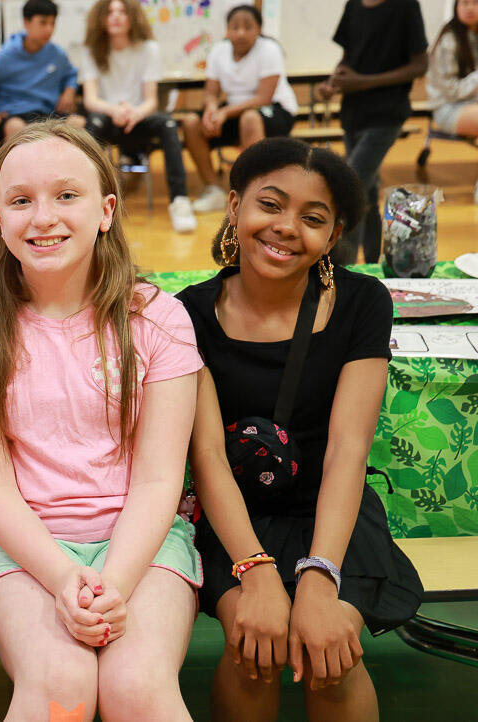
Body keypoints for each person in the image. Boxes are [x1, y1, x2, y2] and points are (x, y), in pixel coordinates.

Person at [0, 120, 204, 721]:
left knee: (137, 687)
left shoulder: (158, 318)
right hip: (25, 547)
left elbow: (160, 478)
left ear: (106, 210)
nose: (43, 218)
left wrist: (115, 582)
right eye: (20, 201)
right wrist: (62, 578)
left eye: (66, 195)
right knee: (62, 686)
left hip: (143, 541)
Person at [178, 137, 423, 722]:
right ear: (234, 206)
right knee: (252, 653)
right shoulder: (187, 313)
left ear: (333, 238)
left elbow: (347, 451)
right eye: (270, 204)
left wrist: (320, 575)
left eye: (313, 219)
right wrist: (254, 572)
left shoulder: (362, 301)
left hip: (331, 511)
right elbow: (208, 455)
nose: (287, 227)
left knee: (329, 657)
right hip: (236, 513)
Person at [316, 0, 428, 264]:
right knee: (365, 192)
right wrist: (333, 82)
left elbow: (420, 65)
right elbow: (349, 58)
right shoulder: (354, 5)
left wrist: (363, 82)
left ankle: (343, 267)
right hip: (353, 112)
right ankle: (371, 262)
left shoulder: (405, 6)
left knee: (351, 185)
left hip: (387, 112)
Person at [82, 0, 197, 234]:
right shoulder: (91, 50)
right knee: (91, 125)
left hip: (138, 118)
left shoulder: (148, 48)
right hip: (107, 117)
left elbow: (151, 101)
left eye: (122, 11)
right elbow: (90, 100)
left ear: (133, 16)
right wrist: (115, 110)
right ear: (101, 17)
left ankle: (179, 200)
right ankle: (90, 200)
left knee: (167, 123)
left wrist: (135, 113)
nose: (116, 16)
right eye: (110, 12)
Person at [182, 4, 298, 213]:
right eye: (235, 27)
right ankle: (213, 190)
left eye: (248, 27)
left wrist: (224, 113)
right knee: (191, 122)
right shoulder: (219, 51)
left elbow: (264, 97)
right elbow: (210, 93)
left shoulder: (269, 49)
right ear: (227, 30)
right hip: (235, 110)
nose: (241, 33)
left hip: (275, 110)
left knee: (249, 119)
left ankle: (253, 193)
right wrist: (211, 111)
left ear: (259, 29)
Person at [0, 0, 83, 143]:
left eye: (53, 23)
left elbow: (71, 74)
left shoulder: (57, 54)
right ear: (26, 22)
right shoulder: (6, 55)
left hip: (48, 115)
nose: (49, 29)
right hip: (15, 115)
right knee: (16, 127)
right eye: (43, 23)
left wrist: (69, 91)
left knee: (78, 123)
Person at [428, 0, 478, 138]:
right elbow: (451, 91)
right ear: (456, 7)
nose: (470, 8)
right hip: (450, 107)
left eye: (475, 3)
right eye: (465, 3)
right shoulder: (448, 41)